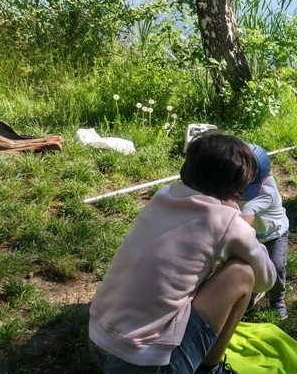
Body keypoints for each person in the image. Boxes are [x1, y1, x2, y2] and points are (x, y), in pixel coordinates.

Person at [88, 131, 276, 374]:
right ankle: (210, 369)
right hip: (144, 365)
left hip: (98, 341)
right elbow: (266, 280)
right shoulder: (228, 220)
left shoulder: (163, 195)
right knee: (242, 273)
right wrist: (247, 233)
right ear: (237, 191)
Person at [235, 143, 290, 319]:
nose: (241, 193)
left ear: (267, 176)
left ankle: (277, 300)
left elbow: (246, 215)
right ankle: (254, 291)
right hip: (253, 235)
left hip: (274, 235)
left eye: (247, 187)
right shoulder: (236, 185)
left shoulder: (267, 192)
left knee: (276, 266)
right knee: (249, 267)